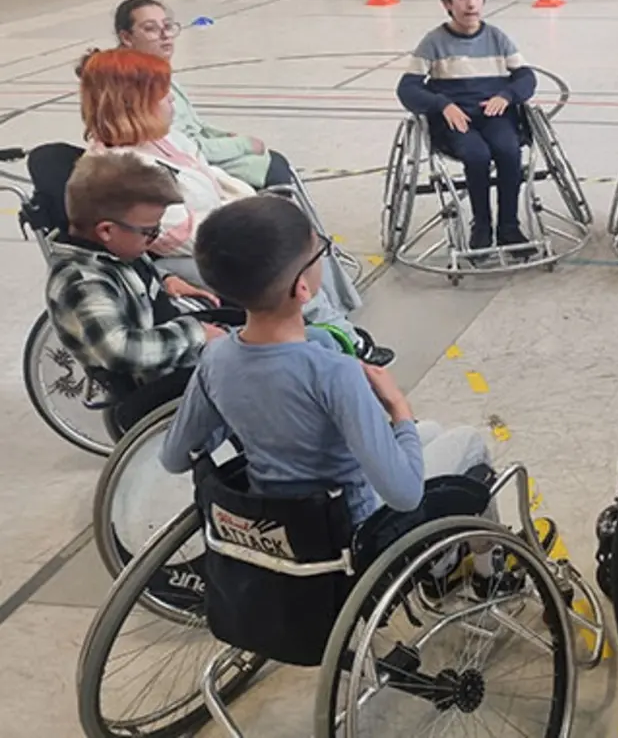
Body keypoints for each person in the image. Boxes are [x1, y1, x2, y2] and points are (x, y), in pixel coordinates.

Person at [159, 196, 534, 592]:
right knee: (468, 443)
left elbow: (174, 457)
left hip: (285, 523)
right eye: (319, 251)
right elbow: (404, 494)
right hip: (354, 530)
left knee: (432, 433)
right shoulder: (333, 372)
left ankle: (442, 564)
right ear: (303, 287)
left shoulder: (216, 358)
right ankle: (487, 573)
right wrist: (398, 407)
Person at [78, 46, 393, 367]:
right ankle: (337, 339)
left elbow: (214, 180)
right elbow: (176, 235)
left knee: (304, 242)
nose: (171, 99)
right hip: (188, 254)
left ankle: (336, 327)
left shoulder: (165, 139)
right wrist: (251, 231)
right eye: (161, 94)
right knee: (282, 265)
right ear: (133, 103)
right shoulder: (123, 171)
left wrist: (251, 212)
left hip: (218, 230)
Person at [45, 151, 227, 431]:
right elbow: (120, 350)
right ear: (106, 231)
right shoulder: (83, 283)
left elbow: (134, 276)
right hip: (153, 391)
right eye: (150, 231)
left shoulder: (119, 251)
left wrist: (166, 280)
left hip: (174, 353)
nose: (155, 237)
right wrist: (196, 333)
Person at [396, 0, 537, 253]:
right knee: (477, 155)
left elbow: (526, 77)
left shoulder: (497, 38)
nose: (470, 4)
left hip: (494, 114)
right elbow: (407, 89)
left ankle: (509, 227)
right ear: (447, 3)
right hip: (456, 120)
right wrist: (441, 104)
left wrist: (507, 95)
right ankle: (481, 226)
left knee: (509, 150)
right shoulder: (433, 42)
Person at [114, 0, 294, 190]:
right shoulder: (138, 87)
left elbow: (196, 126)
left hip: (196, 158)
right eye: (151, 29)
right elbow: (186, 148)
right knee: (273, 168)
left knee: (272, 161)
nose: (165, 35)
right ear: (127, 38)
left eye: (167, 26)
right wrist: (243, 144)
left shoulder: (161, 75)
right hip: (189, 170)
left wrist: (223, 136)